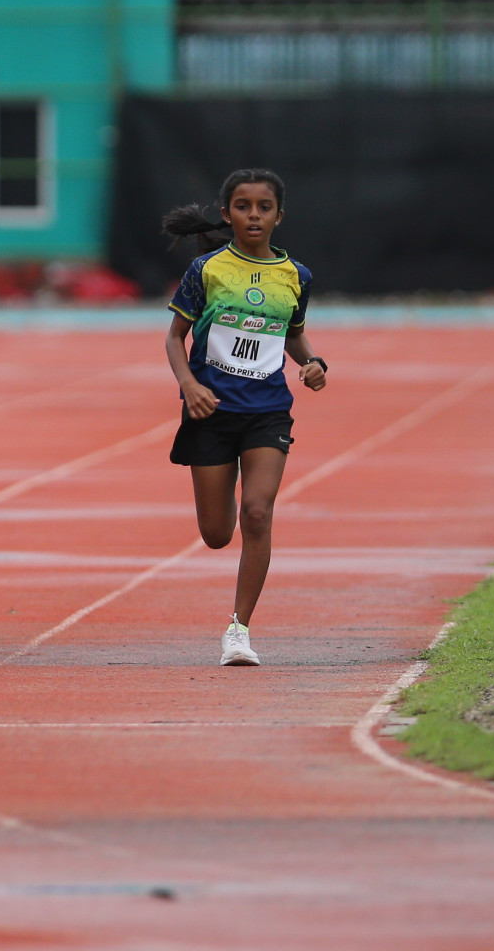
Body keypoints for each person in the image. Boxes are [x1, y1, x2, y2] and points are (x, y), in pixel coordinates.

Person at [161, 168, 328, 666]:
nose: (253, 215)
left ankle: (239, 629)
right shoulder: (207, 271)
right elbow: (174, 338)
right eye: (242, 206)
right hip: (211, 412)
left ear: (279, 215)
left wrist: (314, 363)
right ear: (226, 213)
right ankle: (221, 494)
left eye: (263, 207)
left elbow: (292, 333)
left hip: (267, 413)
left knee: (258, 513)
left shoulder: (296, 275)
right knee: (217, 533)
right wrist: (189, 386)